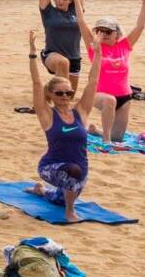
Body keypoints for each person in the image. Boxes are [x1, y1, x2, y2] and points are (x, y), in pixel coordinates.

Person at [27, 49, 98, 224]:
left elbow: (93, 81)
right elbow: (37, 83)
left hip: (80, 169)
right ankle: (70, 212)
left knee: (59, 197)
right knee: (72, 173)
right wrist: (33, 55)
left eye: (69, 92)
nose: (65, 96)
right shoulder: (47, 114)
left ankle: (41, 190)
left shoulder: (81, 112)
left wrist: (98, 52)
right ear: (50, 94)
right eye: (60, 93)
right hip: (51, 166)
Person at [81, 0, 145, 147]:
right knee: (109, 101)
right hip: (100, 95)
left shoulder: (124, 45)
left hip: (124, 96)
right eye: (100, 31)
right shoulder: (94, 47)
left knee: (118, 138)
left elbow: (140, 26)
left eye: (108, 31)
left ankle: (95, 131)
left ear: (116, 34)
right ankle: (105, 139)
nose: (104, 34)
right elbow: (82, 23)